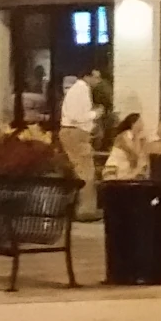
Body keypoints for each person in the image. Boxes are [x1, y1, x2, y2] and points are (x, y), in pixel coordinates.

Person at [59, 69, 102, 218]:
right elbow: (78, 116)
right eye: (96, 77)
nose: (98, 81)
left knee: (79, 170)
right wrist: (96, 114)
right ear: (87, 76)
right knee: (86, 171)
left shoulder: (76, 89)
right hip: (76, 133)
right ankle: (86, 210)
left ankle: (78, 207)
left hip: (71, 132)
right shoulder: (82, 90)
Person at [102, 112, 151, 181]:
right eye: (139, 121)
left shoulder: (140, 137)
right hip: (116, 168)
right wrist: (137, 138)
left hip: (129, 169)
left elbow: (142, 153)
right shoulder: (125, 135)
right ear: (133, 123)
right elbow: (134, 153)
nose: (142, 124)